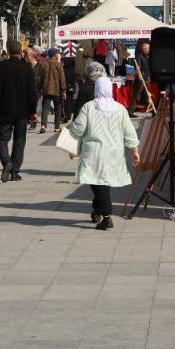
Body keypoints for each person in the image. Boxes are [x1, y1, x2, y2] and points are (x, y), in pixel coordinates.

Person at [67, 71, 139, 230]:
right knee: (101, 183)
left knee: (98, 183)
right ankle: (96, 210)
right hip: (114, 153)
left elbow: (78, 128)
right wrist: (134, 150)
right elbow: (129, 132)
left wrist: (70, 129)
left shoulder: (89, 107)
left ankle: (106, 216)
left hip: (94, 153)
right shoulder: (120, 109)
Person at [0, 38, 38, 182]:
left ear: (8, 51)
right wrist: (33, 111)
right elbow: (32, 92)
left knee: (2, 140)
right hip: (22, 112)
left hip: (3, 111)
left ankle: (6, 162)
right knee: (19, 141)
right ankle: (14, 172)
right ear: (20, 51)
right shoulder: (27, 68)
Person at [37, 47, 67, 133]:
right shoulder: (59, 65)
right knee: (58, 108)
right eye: (58, 53)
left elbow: (39, 79)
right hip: (57, 90)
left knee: (45, 108)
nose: (59, 55)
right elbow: (62, 79)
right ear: (55, 55)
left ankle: (43, 126)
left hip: (46, 90)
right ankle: (57, 127)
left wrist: (39, 89)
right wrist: (64, 90)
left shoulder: (43, 64)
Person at [132, 39, 152, 115]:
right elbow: (138, 68)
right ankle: (130, 110)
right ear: (142, 49)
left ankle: (149, 107)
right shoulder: (139, 56)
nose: (147, 50)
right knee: (137, 95)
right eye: (146, 48)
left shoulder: (148, 56)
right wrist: (140, 78)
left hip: (147, 78)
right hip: (142, 79)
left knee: (146, 94)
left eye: (148, 48)